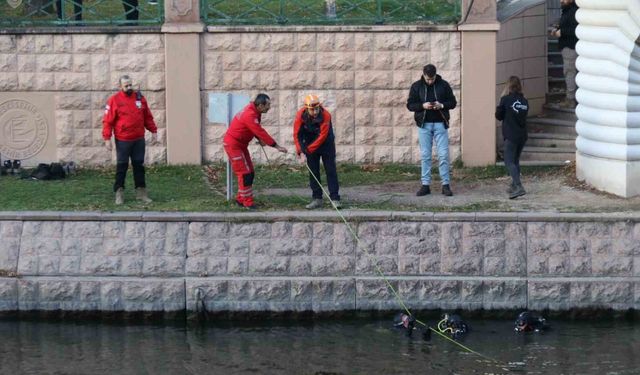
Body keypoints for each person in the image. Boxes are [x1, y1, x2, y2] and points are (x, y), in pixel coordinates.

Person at [223, 93, 287, 210]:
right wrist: (276, 146)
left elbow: (253, 129)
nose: (269, 107)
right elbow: (259, 130)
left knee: (250, 172)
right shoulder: (250, 114)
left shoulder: (254, 112)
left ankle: (241, 198)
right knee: (245, 173)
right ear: (261, 106)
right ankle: (247, 202)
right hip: (233, 145)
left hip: (241, 145)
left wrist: (259, 139)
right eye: (268, 105)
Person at [102, 75, 157, 205]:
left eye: (130, 85)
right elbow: (107, 121)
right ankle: (119, 193)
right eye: (126, 86)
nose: (129, 88)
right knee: (122, 167)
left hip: (138, 140)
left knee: (139, 166)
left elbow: (147, 117)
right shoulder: (114, 100)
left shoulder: (139, 98)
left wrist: (153, 131)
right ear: (120, 87)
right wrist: (107, 138)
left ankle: (141, 193)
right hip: (123, 141)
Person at [406, 64, 457, 197]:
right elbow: (410, 105)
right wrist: (422, 106)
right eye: (428, 79)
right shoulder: (416, 86)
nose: (430, 81)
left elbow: (453, 102)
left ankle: (445, 184)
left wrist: (442, 105)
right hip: (424, 125)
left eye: (432, 79)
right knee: (425, 155)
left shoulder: (444, 85)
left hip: (440, 123)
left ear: (435, 75)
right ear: (423, 75)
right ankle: (425, 185)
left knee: (443, 155)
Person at [293, 94, 341, 210]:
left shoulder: (326, 115)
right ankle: (317, 199)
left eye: (316, 109)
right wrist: (301, 151)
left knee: (330, 170)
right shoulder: (300, 115)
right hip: (309, 143)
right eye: (312, 110)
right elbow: (297, 134)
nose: (315, 112)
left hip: (326, 144)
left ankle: (335, 198)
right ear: (306, 109)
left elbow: (322, 136)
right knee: (313, 172)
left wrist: (307, 151)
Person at [496, 76, 529, 199]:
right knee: (515, 160)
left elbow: (498, 116)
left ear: (508, 86)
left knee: (509, 161)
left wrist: (501, 107)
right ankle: (514, 184)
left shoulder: (505, 99)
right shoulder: (525, 101)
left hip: (511, 135)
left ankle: (519, 186)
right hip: (522, 135)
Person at [551, 0, 579, 108]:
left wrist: (561, 32)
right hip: (568, 46)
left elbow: (575, 30)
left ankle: (570, 99)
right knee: (569, 72)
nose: (561, 0)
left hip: (570, 46)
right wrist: (557, 29)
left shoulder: (573, 11)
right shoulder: (568, 10)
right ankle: (571, 97)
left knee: (569, 72)